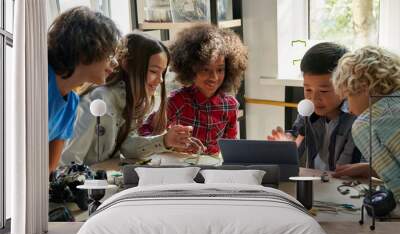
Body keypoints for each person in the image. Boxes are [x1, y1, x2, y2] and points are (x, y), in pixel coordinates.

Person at [60, 32, 203, 166]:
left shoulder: (131, 100)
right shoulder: (98, 100)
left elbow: (127, 147)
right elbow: (68, 161)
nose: (160, 80)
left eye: (163, 73)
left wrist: (165, 140)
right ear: (127, 65)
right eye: (153, 71)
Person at [139, 23, 248, 154]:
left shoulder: (230, 106)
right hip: (182, 170)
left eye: (220, 69)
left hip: (214, 172)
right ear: (190, 68)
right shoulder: (177, 101)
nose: (213, 77)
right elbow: (145, 132)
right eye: (205, 69)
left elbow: (230, 149)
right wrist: (168, 142)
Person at [267, 42, 361, 171]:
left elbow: (350, 169)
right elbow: (297, 138)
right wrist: (287, 143)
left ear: (344, 86)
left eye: (324, 91)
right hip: (314, 181)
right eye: (308, 90)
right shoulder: (307, 111)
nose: (314, 98)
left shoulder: (355, 119)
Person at [48, 6, 121, 172]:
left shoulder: (71, 103)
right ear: (87, 48)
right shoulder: (39, 83)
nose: (114, 64)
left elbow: (49, 170)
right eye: (109, 55)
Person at [332, 45, 400, 210]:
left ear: (363, 88)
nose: (349, 109)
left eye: (348, 97)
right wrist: (372, 169)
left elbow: (397, 186)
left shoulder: (366, 123)